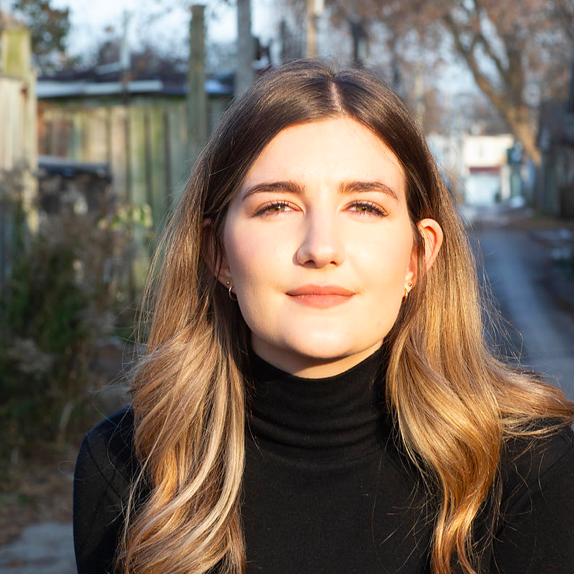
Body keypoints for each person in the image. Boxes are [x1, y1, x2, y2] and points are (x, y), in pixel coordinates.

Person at [73, 60, 574, 574]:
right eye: (277, 207)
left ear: (417, 257)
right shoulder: (127, 466)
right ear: (217, 252)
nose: (321, 248)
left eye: (364, 207)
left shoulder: (532, 469)